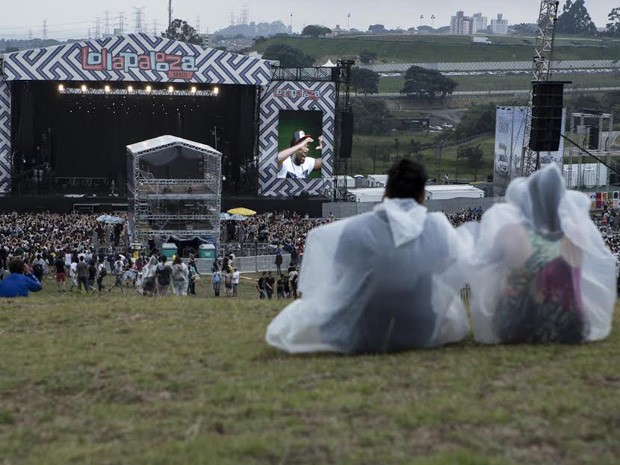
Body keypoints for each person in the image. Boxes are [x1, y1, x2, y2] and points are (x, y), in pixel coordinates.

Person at [266, 159, 469, 354]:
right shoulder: (439, 228)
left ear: (386, 191)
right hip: (424, 331)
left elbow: (339, 274)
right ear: (423, 194)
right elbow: (451, 267)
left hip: (366, 335)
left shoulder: (357, 229)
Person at [461, 164, 616, 344]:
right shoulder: (576, 234)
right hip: (570, 327)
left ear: (529, 198)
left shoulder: (511, 232)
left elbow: (484, 267)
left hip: (516, 327)